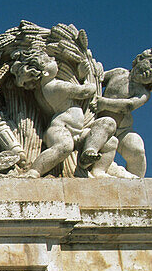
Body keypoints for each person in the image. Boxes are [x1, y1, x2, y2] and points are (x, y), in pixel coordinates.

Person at [80, 47, 152, 178]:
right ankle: (89, 154)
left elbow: (128, 106)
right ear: (141, 59)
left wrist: (103, 103)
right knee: (106, 125)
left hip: (123, 130)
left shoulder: (143, 93)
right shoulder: (119, 72)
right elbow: (98, 79)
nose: (150, 72)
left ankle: (137, 182)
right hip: (101, 121)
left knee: (137, 149)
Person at [11, 49, 98, 178]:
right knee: (64, 146)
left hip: (78, 130)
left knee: (109, 135)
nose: (54, 61)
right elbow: (86, 92)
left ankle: (96, 167)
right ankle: (34, 171)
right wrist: (86, 77)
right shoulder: (56, 87)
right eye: (49, 61)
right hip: (62, 128)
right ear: (45, 72)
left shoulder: (42, 89)